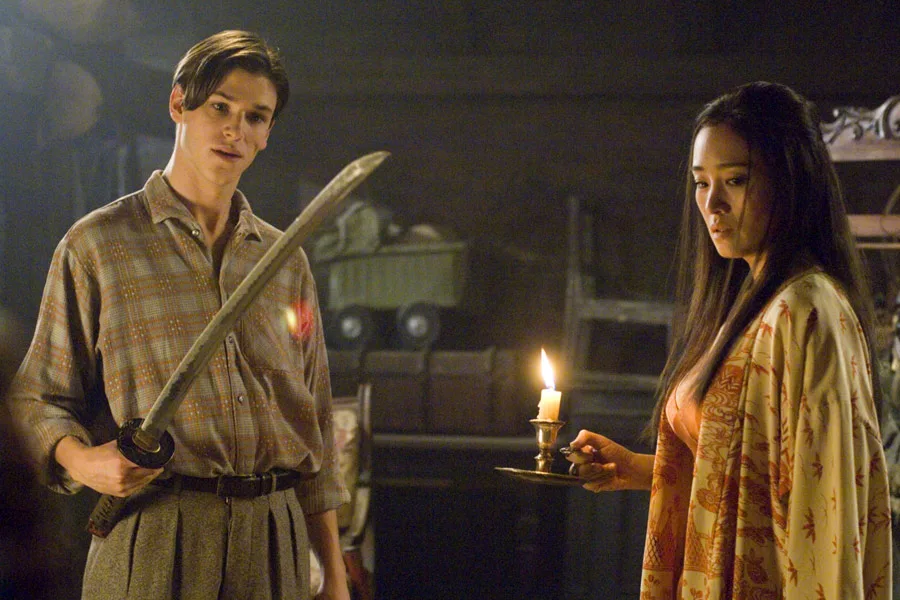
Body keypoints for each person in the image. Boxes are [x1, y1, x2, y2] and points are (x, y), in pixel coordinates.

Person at [7, 30, 351, 600]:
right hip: (156, 533)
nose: (236, 130)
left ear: (267, 133)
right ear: (178, 103)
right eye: (220, 107)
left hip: (275, 541)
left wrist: (335, 580)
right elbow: (34, 400)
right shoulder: (98, 246)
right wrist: (85, 463)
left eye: (256, 117)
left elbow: (312, 424)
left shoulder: (285, 261)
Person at [566, 82, 892, 598]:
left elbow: (824, 511)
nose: (712, 204)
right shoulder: (751, 303)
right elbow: (747, 478)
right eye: (701, 183)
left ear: (791, 181)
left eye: (735, 180)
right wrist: (640, 470)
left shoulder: (806, 310)